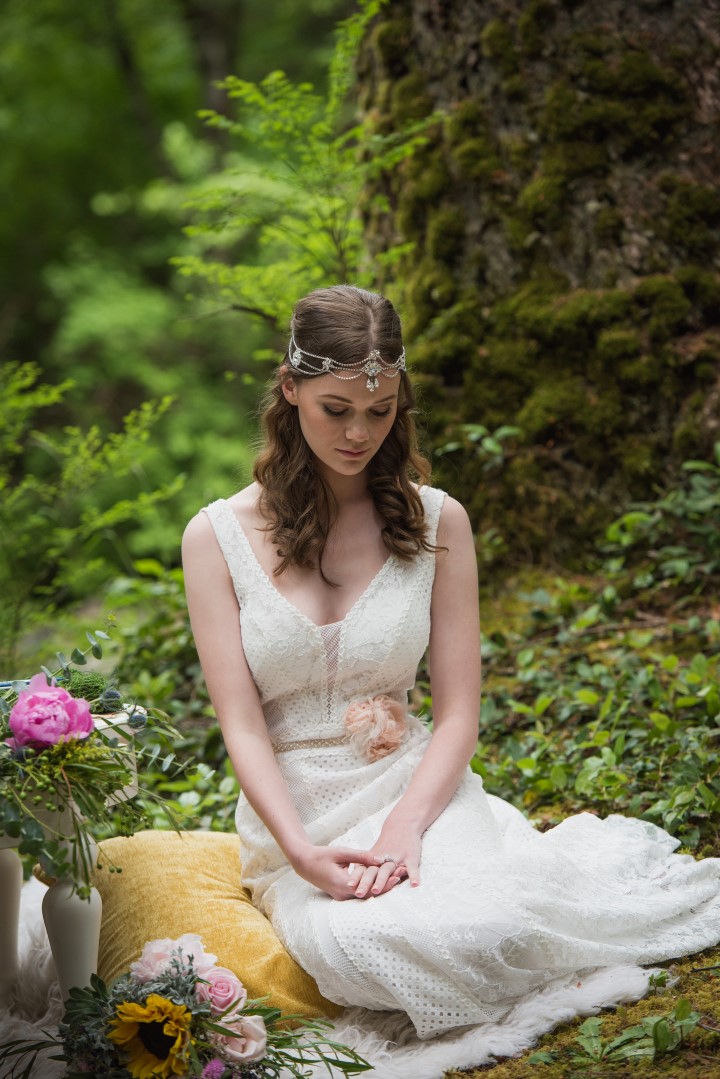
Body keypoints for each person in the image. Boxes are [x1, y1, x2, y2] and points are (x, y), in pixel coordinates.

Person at [182, 285, 720, 1070]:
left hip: (414, 786)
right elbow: (242, 723)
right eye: (336, 409)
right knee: (364, 945)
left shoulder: (438, 521)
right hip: (299, 813)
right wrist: (299, 851)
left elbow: (460, 712)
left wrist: (407, 827)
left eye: (381, 410)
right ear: (290, 389)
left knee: (482, 926)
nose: (359, 433)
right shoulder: (215, 538)